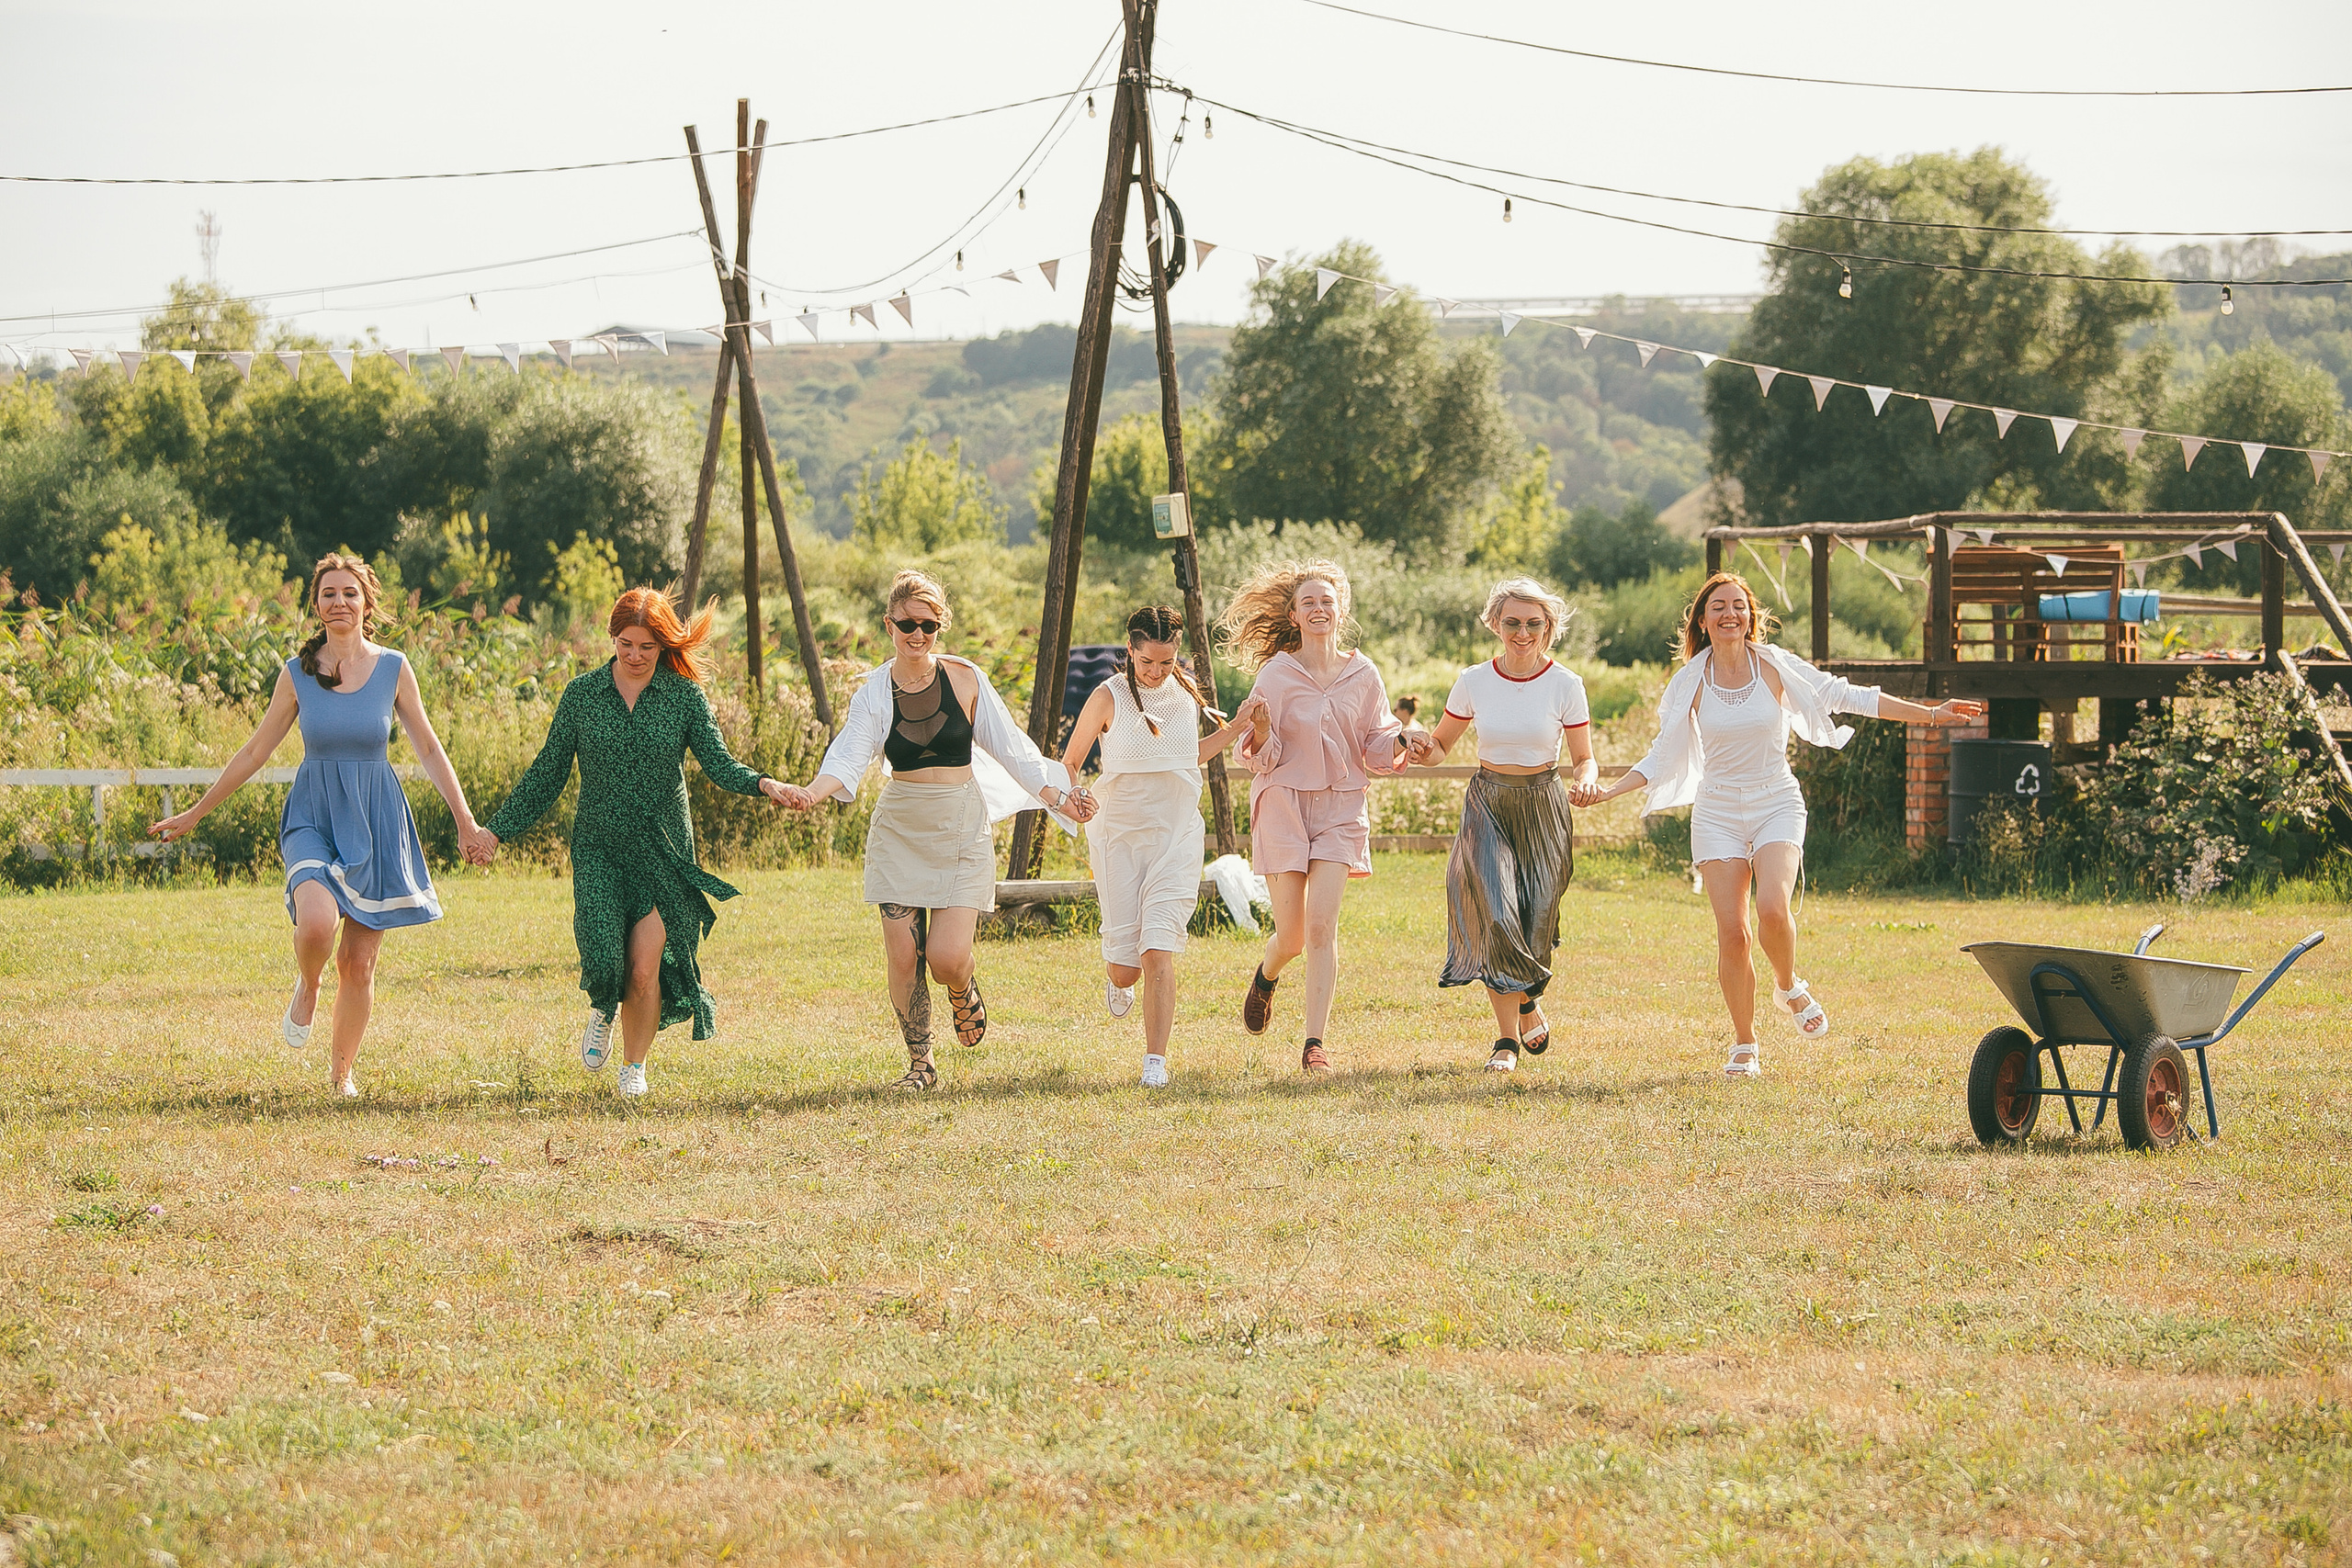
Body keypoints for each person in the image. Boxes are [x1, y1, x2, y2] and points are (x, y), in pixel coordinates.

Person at [1575, 572, 1983, 1077]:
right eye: (1719, 607)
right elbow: (1662, 754)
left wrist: (1931, 716)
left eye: (1739, 606)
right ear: (1702, 620)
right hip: (1717, 810)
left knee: (1771, 906)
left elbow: (1847, 696)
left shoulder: (1775, 666)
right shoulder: (1689, 682)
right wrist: (1609, 790)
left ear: (1750, 617)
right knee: (1733, 934)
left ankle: (1788, 985)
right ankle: (1745, 1044)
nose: (1731, 615)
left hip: (1775, 801)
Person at [151, 554, 481, 1099]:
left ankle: (341, 1074)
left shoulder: (394, 668)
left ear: (367, 602)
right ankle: (308, 982)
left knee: (358, 962)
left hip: (375, 821)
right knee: (317, 927)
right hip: (313, 815)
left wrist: (465, 821)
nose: (339, 602)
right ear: (317, 605)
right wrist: (194, 813)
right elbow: (257, 750)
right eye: (329, 593)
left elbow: (427, 745)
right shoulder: (297, 673)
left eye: (350, 593)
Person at [468, 588, 793, 1099]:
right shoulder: (582, 695)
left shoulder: (682, 696)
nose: (635, 655)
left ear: (664, 645)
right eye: (625, 643)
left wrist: (762, 783)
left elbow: (719, 764)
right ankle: (602, 1004)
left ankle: (633, 1069)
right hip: (599, 847)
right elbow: (546, 775)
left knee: (644, 971)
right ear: (612, 639)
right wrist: (495, 831)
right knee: (605, 960)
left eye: (647, 646)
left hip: (662, 852)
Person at [776, 570, 1091, 1091]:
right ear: (889, 625)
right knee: (903, 958)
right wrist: (813, 792)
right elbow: (851, 751)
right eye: (907, 625)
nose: (917, 636)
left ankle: (963, 986)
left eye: (929, 625)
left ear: (940, 626)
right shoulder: (875, 690)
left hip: (961, 828)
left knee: (944, 959)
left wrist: (1060, 798)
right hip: (900, 830)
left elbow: (1013, 750)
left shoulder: (965, 679)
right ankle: (920, 1064)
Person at [1217, 558, 1412, 1074]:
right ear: (1294, 615)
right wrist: (1259, 730)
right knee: (1294, 937)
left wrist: (1403, 741)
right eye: (1309, 602)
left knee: (1322, 928)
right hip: (1284, 803)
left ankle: (1314, 1045)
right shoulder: (1276, 675)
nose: (1319, 609)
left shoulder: (1363, 673)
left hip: (1341, 807)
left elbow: (1375, 744)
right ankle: (1267, 973)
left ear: (1340, 610)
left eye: (1327, 601)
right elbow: (1258, 754)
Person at [1056, 605, 1256, 1088]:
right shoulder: (1108, 697)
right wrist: (1073, 796)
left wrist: (1237, 726)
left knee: (1158, 946)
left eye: (1166, 662)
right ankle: (1115, 976)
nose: (1156, 672)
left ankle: (1155, 1064)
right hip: (1120, 837)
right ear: (1131, 650)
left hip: (1177, 835)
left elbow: (1190, 755)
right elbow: (1069, 762)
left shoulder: (1185, 692)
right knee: (1126, 970)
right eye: (1147, 662)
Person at [1407, 578, 1595, 1073]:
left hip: (1545, 807)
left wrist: (1588, 782)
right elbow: (1441, 748)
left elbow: (1584, 759)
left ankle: (1527, 997)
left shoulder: (1566, 685)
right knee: (1494, 913)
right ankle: (1506, 1041)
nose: (1523, 632)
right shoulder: (1474, 680)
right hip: (1488, 804)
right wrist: (1422, 747)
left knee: (1535, 921)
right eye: (1512, 622)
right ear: (1496, 624)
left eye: (1534, 623)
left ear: (1548, 627)